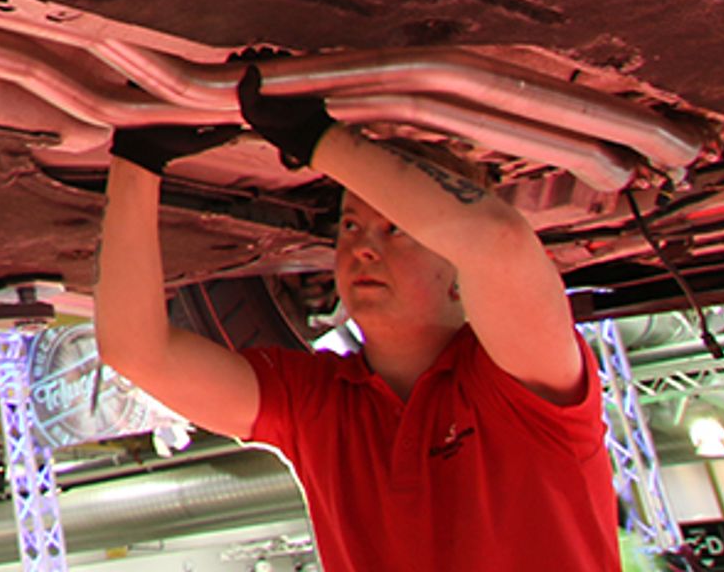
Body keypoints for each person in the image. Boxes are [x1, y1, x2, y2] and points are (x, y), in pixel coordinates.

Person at [94, 68, 619, 572]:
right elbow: (141, 351)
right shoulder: (324, 405)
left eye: (395, 229)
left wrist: (316, 138)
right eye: (350, 225)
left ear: (460, 272)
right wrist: (139, 163)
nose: (362, 248)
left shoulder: (518, 385)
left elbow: (500, 241)